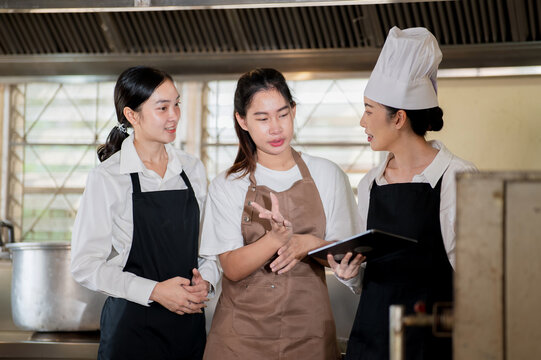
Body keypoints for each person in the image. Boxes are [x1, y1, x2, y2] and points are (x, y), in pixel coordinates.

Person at [328, 27, 477, 360]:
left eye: (368, 110)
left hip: (433, 344)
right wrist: (350, 273)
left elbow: (478, 280)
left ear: (399, 118)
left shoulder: (457, 177)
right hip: (372, 340)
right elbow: (368, 276)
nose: (362, 122)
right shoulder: (370, 184)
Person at [199, 68, 361, 359]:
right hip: (240, 340)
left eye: (282, 115)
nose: (275, 128)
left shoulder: (328, 175)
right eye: (262, 119)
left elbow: (347, 254)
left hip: (308, 333)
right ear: (242, 121)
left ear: (294, 111)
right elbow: (231, 268)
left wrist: (309, 244)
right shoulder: (228, 185)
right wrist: (274, 240)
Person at [70, 66, 219, 360]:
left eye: (176, 104)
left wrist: (207, 282)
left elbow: (209, 249)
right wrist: (155, 291)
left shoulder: (192, 169)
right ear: (132, 115)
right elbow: (85, 264)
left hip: (187, 324)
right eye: (162, 107)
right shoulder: (108, 177)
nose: (174, 115)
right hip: (132, 328)